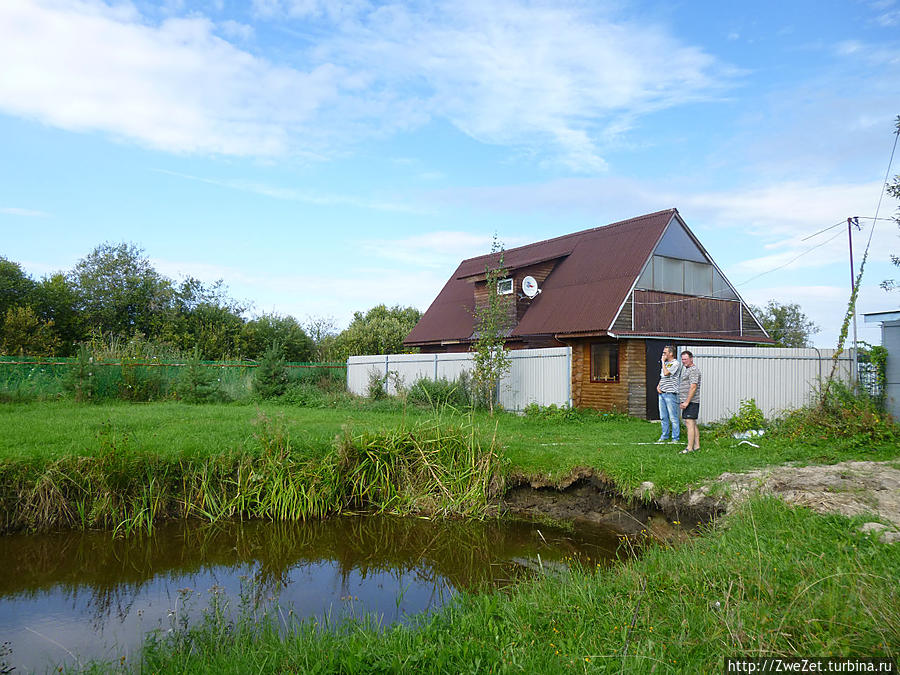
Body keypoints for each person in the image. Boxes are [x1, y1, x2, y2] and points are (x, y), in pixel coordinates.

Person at [655, 345, 681, 443]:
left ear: (671, 353)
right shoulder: (666, 363)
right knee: (663, 416)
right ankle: (664, 435)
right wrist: (659, 385)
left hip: (670, 393)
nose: (663, 354)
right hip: (662, 393)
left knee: (673, 417)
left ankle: (675, 438)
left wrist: (662, 362)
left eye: (665, 353)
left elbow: (666, 373)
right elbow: (663, 377)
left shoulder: (675, 363)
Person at [678, 350, 701, 454]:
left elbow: (693, 386)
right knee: (692, 423)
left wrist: (686, 402)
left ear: (691, 359)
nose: (683, 361)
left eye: (685, 359)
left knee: (689, 422)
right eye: (682, 359)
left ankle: (689, 448)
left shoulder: (693, 370)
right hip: (688, 401)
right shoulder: (688, 369)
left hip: (691, 401)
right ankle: (696, 446)